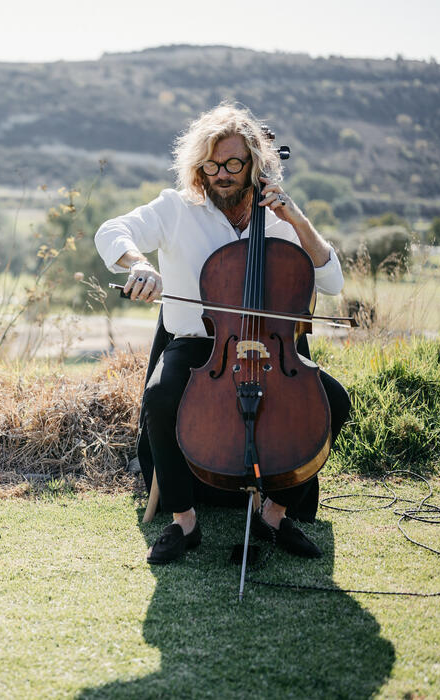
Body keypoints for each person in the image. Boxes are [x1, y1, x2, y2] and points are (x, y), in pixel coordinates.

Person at [94, 102, 352, 564]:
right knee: (159, 396)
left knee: (335, 401)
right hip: (198, 347)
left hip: (271, 352)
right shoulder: (176, 208)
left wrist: (296, 219)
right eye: (211, 165)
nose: (222, 175)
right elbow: (113, 231)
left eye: (233, 164)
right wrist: (140, 265)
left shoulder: (279, 219)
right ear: (198, 168)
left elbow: (331, 281)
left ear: (256, 164)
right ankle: (183, 522)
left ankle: (274, 514)